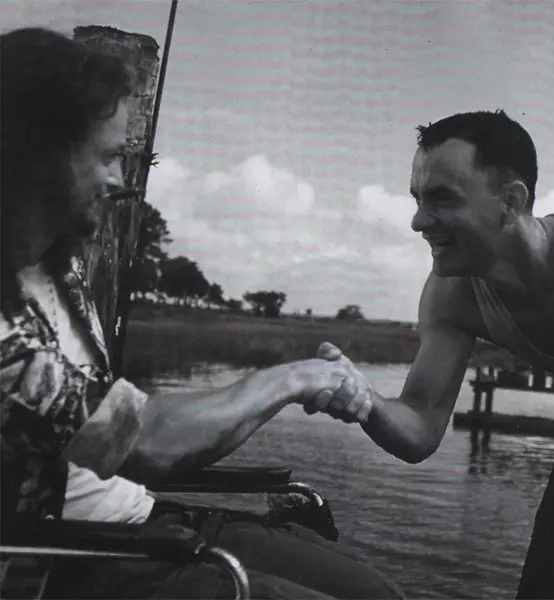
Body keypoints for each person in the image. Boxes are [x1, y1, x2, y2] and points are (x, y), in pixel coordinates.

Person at [0, 27, 400, 600]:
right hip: (66, 558)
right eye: (109, 157)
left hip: (140, 517)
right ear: (40, 154)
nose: (121, 181)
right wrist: (294, 378)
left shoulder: (59, 270)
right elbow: (145, 442)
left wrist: (288, 390)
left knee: (373, 592)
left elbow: (170, 450)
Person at [310, 110, 554, 599]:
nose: (418, 221)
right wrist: (366, 401)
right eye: (417, 198)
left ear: (510, 201)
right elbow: (420, 427)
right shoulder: (454, 295)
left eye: (442, 198)